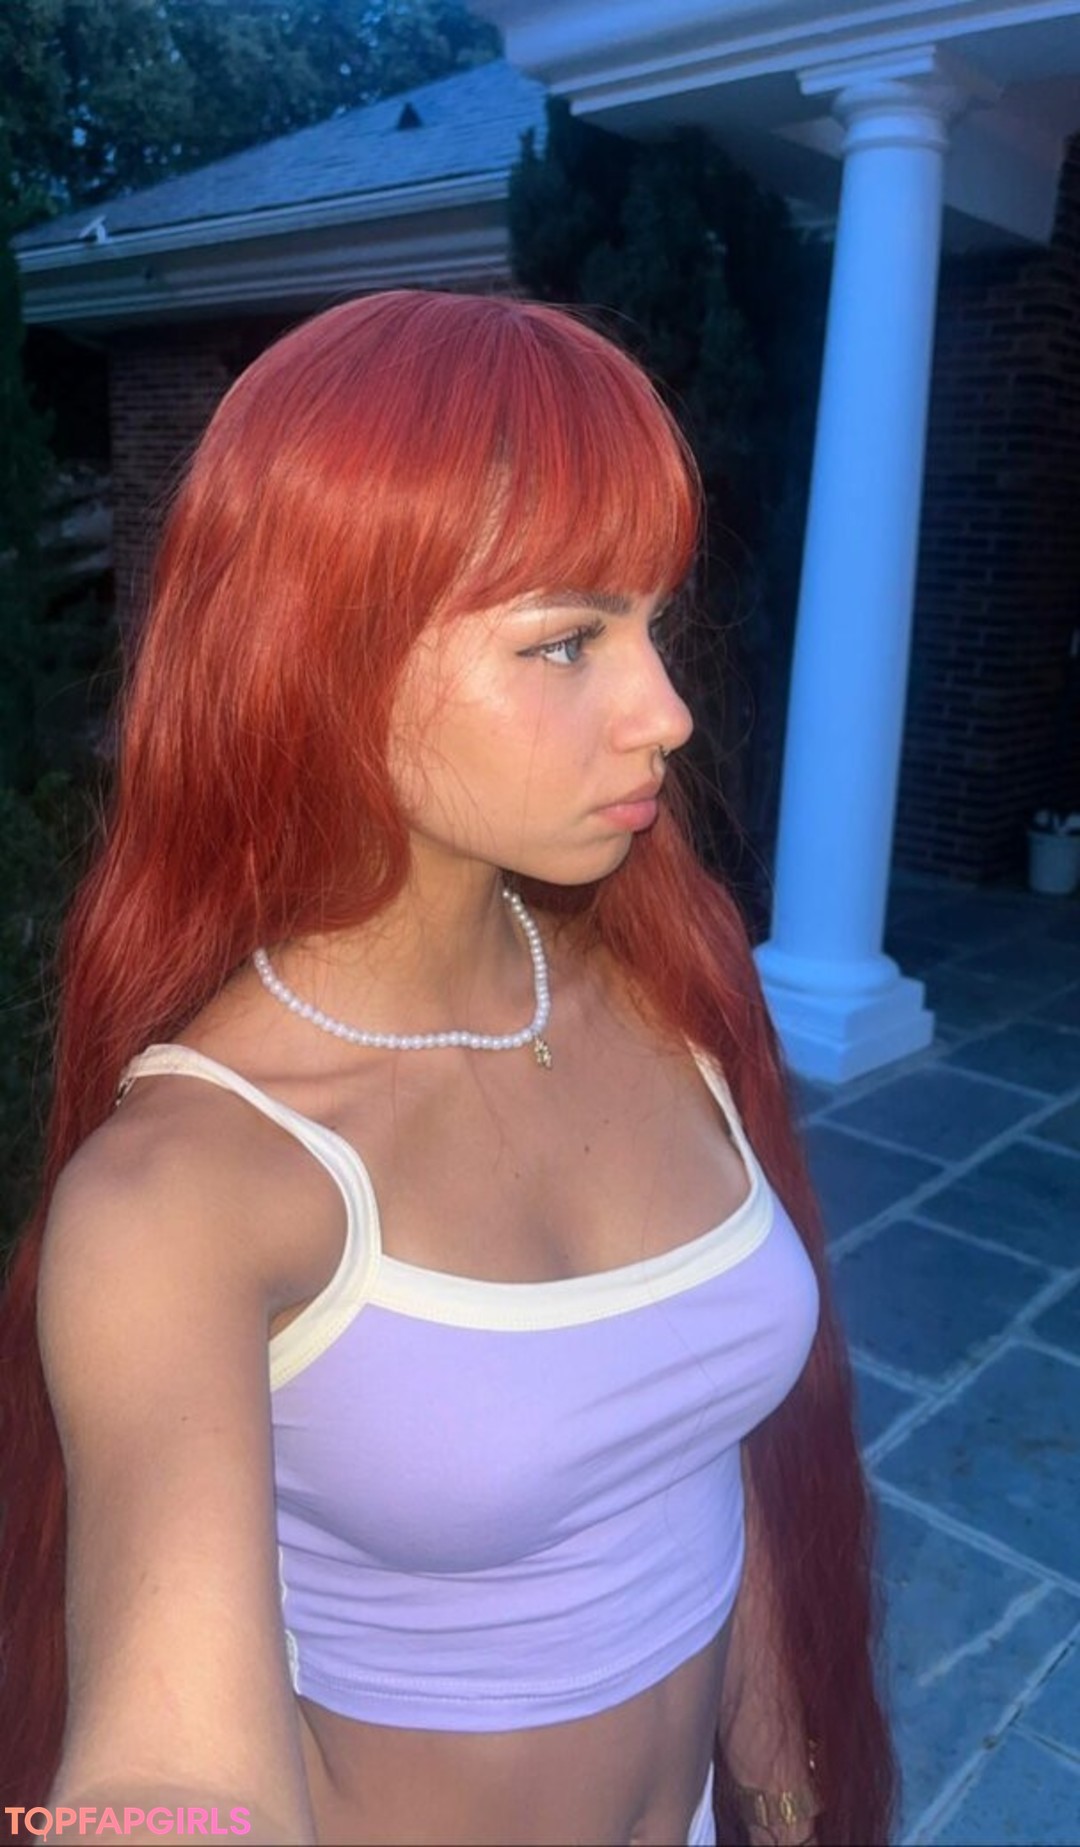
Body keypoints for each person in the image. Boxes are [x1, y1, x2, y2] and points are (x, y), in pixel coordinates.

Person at [0, 291, 895, 1846]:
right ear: (320, 659)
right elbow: (169, 1770)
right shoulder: (186, 1198)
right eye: (566, 640)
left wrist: (774, 1761)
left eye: (653, 623)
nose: (669, 712)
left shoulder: (662, 986)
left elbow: (707, 1440)